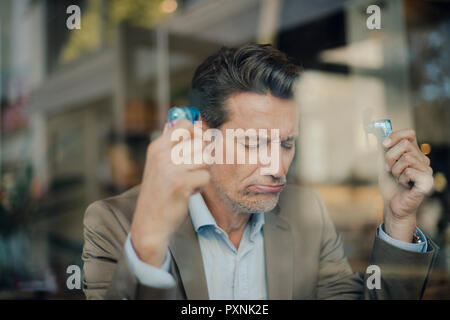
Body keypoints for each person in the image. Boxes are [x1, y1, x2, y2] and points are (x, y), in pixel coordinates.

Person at [82, 44, 438, 300]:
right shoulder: (113, 223)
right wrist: (147, 244)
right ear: (204, 138)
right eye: (253, 143)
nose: (278, 168)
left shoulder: (306, 213)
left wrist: (398, 217)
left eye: (286, 144)